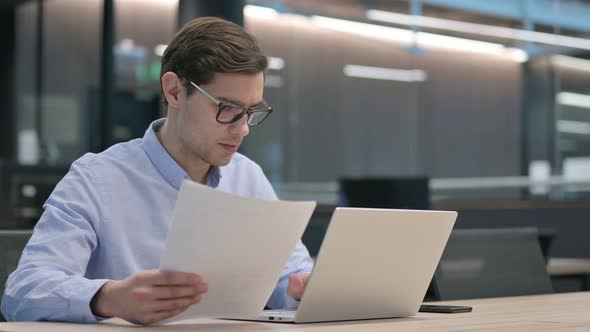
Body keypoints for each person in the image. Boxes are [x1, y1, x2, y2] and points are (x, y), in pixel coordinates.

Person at [1, 17, 313, 325]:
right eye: (228, 109)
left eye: (252, 111)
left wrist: (302, 290)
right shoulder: (97, 178)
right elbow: (23, 291)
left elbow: (289, 280)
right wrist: (109, 297)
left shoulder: (249, 177)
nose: (243, 129)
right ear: (174, 91)